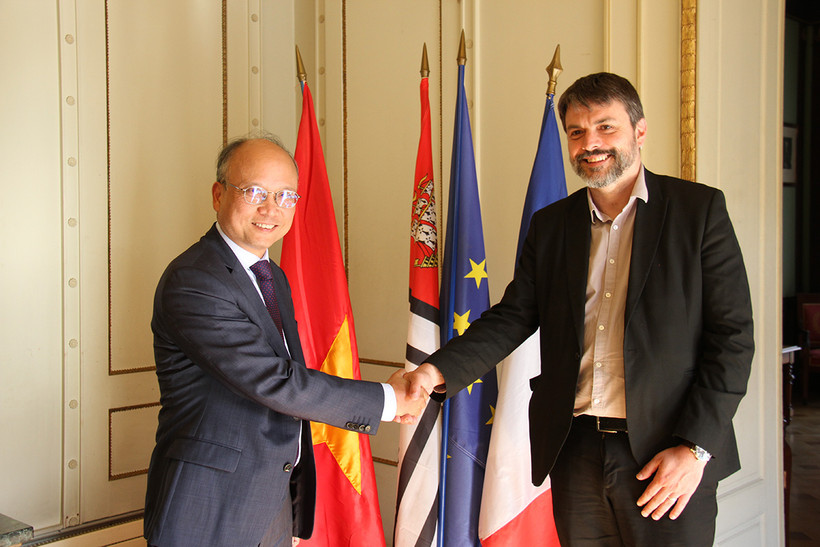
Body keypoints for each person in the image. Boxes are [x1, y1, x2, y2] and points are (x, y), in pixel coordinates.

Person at [407, 72, 754, 546]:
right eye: (576, 132)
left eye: (605, 127)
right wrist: (435, 371)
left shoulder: (699, 211)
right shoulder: (551, 225)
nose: (590, 143)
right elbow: (512, 317)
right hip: (575, 452)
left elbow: (733, 339)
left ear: (639, 131)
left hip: (668, 452)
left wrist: (695, 449)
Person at [144, 135, 424, 547]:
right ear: (218, 194)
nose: (271, 209)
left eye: (285, 196)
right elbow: (274, 381)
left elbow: (290, 382)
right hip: (208, 509)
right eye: (254, 192)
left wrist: (290, 512)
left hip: (268, 504)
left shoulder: (271, 276)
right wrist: (388, 401)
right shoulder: (195, 279)